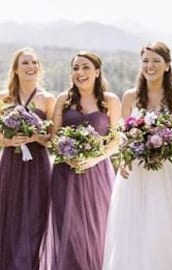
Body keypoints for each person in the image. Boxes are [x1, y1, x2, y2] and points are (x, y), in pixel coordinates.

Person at [102, 41, 172, 270]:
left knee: (165, 225)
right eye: (146, 61)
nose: (150, 66)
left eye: (156, 61)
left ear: (167, 65)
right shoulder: (130, 97)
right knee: (134, 226)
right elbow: (123, 136)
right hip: (135, 172)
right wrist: (126, 159)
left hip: (167, 172)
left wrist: (162, 150)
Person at [49, 51, 121, 270]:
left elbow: (116, 140)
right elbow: (54, 137)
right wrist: (66, 154)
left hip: (97, 174)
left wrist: (92, 159)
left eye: (86, 67)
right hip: (65, 173)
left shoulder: (110, 101)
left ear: (97, 72)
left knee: (98, 228)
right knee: (69, 231)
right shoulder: (63, 100)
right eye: (76, 68)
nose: (80, 72)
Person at [0, 47, 55, 269]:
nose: (30, 67)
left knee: (34, 216)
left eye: (34, 63)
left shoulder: (47, 99)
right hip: (11, 163)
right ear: (15, 69)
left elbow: (52, 138)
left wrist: (35, 136)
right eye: (25, 63)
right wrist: (8, 141)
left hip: (37, 165)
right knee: (9, 215)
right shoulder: (4, 99)